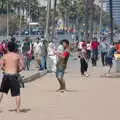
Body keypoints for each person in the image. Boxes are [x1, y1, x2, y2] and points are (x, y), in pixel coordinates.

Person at [0, 42, 24, 113]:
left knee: (1, 92)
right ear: (15, 48)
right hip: (14, 75)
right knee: (17, 94)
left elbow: (1, 67)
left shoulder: (4, 56)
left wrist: (6, 69)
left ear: (7, 48)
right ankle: (18, 109)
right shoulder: (17, 56)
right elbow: (22, 66)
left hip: (6, 75)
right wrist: (18, 71)